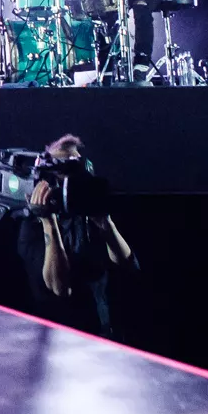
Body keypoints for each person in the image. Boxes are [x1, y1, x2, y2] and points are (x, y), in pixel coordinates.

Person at [14, 134, 133, 335]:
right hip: (56, 338)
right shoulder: (32, 225)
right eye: (66, 170)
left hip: (102, 335)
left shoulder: (87, 215)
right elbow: (60, 288)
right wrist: (48, 221)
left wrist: (106, 224)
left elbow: (127, 265)